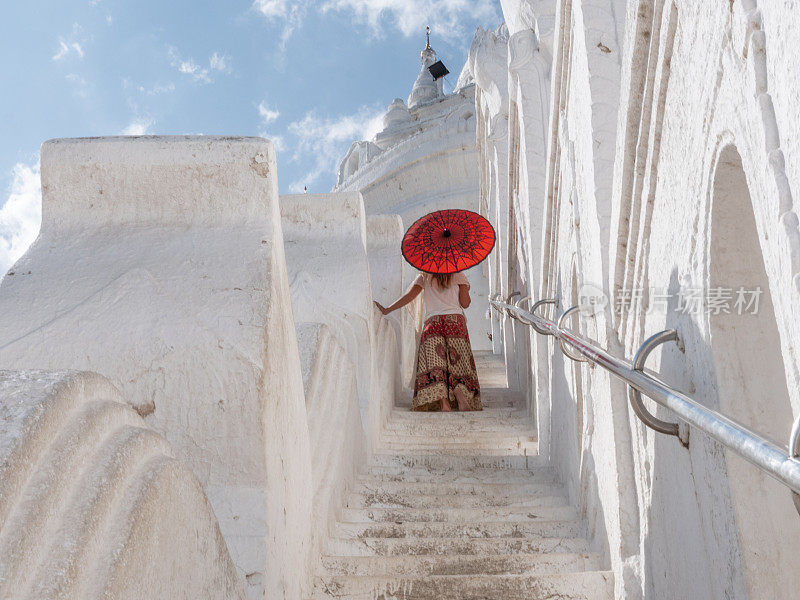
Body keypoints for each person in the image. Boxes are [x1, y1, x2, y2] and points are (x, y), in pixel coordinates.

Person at [374, 271, 482, 412]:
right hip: (455, 323)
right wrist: (464, 287)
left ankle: (444, 403)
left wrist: (387, 310)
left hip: (433, 323)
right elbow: (465, 303)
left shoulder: (424, 276)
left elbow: (409, 297)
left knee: (435, 364)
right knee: (458, 364)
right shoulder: (458, 274)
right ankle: (461, 397)